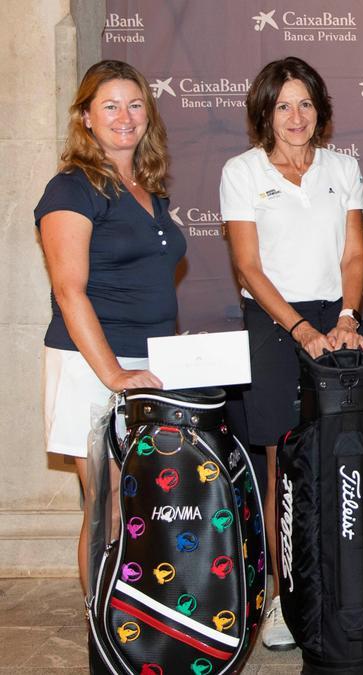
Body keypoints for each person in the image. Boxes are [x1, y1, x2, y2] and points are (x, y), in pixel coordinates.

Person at [219, 56, 363, 651]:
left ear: (320, 110)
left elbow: (354, 255)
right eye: (283, 105)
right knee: (283, 463)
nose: (296, 116)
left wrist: (347, 318)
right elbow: (248, 267)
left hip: (339, 322)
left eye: (305, 103)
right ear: (265, 112)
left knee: (340, 458)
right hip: (275, 323)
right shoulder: (242, 171)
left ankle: (339, 584)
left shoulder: (343, 167)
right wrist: (302, 329)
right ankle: (282, 599)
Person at [35, 60, 184, 592]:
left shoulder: (149, 188)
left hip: (147, 367)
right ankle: (104, 633)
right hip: (91, 366)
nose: (126, 116)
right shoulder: (70, 189)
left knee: (143, 502)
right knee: (109, 504)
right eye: (111, 105)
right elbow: (69, 290)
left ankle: (140, 620)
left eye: (136, 103)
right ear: (86, 117)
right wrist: (115, 374)